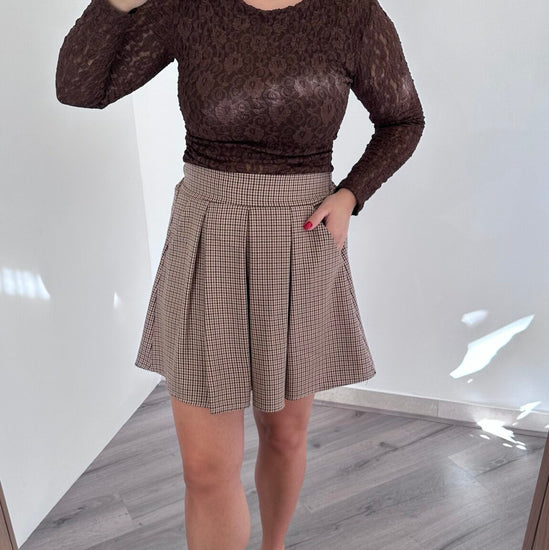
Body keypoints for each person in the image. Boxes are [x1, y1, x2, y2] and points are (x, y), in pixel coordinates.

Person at [55, 0, 425, 547]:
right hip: (206, 232)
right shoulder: (188, 7)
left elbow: (403, 120)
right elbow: (81, 89)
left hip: (299, 234)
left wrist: (352, 193)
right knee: (205, 470)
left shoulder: (354, 14)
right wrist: (115, 3)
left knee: (284, 435)